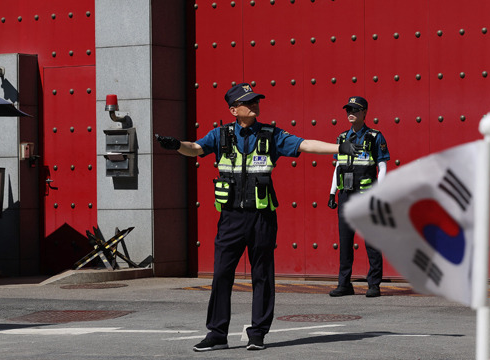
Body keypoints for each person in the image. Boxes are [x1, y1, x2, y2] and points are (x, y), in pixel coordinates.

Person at [156, 83, 361, 352]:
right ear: (233, 109)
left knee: (262, 275)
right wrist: (176, 146)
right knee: (221, 276)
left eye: (256, 101)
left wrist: (339, 148)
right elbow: (195, 148)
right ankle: (217, 334)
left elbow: (305, 144)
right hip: (230, 218)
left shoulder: (271, 134)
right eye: (248, 102)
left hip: (262, 217)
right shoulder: (220, 135)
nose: (254, 105)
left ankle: (258, 334)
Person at [327, 96, 390, 298]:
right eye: (348, 109)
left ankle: (374, 284)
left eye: (355, 109)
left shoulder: (374, 136)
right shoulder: (341, 138)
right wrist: (332, 192)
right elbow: (338, 166)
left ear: (365, 113)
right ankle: (344, 283)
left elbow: (382, 165)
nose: (350, 113)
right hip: (346, 194)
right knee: (345, 241)